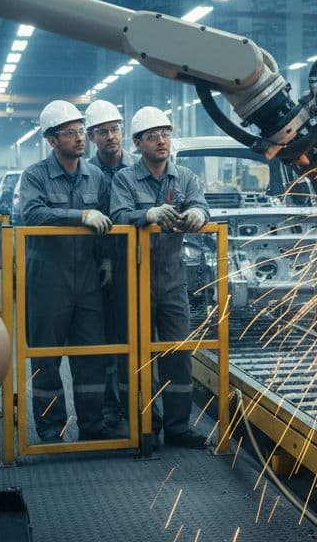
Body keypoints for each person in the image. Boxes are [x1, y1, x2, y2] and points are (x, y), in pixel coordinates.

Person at [15, 100, 122, 443]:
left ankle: (92, 425)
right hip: (48, 280)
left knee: (90, 356)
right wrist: (79, 216)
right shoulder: (35, 175)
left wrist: (106, 260)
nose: (80, 138)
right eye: (70, 133)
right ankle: (50, 429)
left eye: (80, 131)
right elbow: (31, 213)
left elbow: (110, 219)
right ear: (51, 140)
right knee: (46, 358)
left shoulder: (95, 177)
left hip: (88, 280)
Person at [109, 106, 210, 449]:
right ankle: (142, 426)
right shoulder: (124, 179)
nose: (161, 141)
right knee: (135, 354)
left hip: (171, 279)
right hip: (135, 279)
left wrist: (198, 211)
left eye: (165, 134)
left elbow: (201, 205)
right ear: (137, 144)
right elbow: (118, 214)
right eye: (152, 136)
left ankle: (178, 427)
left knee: (177, 353)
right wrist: (146, 214)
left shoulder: (185, 178)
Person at [85, 100, 133, 429]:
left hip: (135, 267)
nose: (111, 136)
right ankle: (108, 407)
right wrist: (103, 260)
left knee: (134, 338)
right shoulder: (86, 174)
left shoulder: (139, 168)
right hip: (96, 269)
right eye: (103, 132)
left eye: (115, 129)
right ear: (92, 137)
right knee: (102, 341)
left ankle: (137, 406)